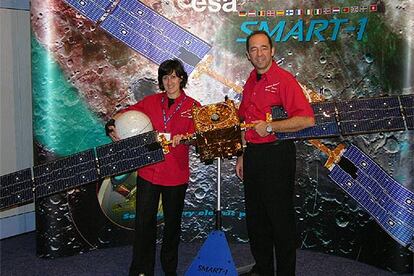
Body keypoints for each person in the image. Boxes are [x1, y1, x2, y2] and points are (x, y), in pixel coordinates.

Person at [106, 59, 200, 276]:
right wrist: (111, 125)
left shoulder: (194, 107)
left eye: (174, 76)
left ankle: (169, 270)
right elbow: (125, 114)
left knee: (172, 226)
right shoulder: (150, 102)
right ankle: (141, 270)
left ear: (182, 79)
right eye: (165, 77)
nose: (170, 82)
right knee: (143, 224)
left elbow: (200, 138)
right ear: (161, 81)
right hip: (149, 172)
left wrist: (187, 138)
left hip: (175, 175)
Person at [236, 31, 315, 276]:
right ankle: (263, 268)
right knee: (256, 219)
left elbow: (307, 120)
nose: (259, 54)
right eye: (253, 49)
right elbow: (243, 120)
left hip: (277, 156)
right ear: (248, 55)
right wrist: (242, 153)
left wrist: (271, 127)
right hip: (253, 156)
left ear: (272, 51)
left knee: (280, 221)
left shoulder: (284, 80)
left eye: (263, 48)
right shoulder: (251, 79)